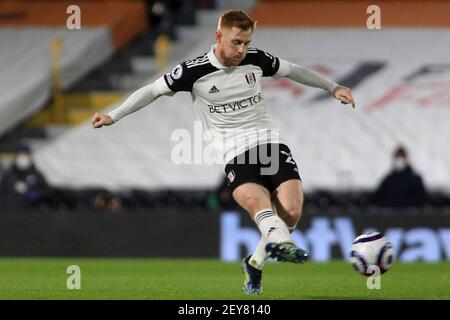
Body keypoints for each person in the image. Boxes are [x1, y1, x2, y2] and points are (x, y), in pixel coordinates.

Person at [91, 10, 356, 295]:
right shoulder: (194, 71)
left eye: (246, 42)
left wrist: (333, 87)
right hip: (233, 151)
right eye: (236, 42)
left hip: (269, 143)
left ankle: (255, 264)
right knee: (257, 204)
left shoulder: (257, 59)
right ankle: (284, 245)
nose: (242, 49)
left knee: (290, 213)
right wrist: (113, 116)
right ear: (219, 37)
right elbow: (152, 90)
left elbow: (293, 70)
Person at [0, 145, 52, 209]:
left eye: (25, 155)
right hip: (10, 212)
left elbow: (47, 191)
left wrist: (37, 194)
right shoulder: (8, 175)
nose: (22, 158)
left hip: (30, 213)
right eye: (20, 155)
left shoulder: (36, 174)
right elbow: (2, 193)